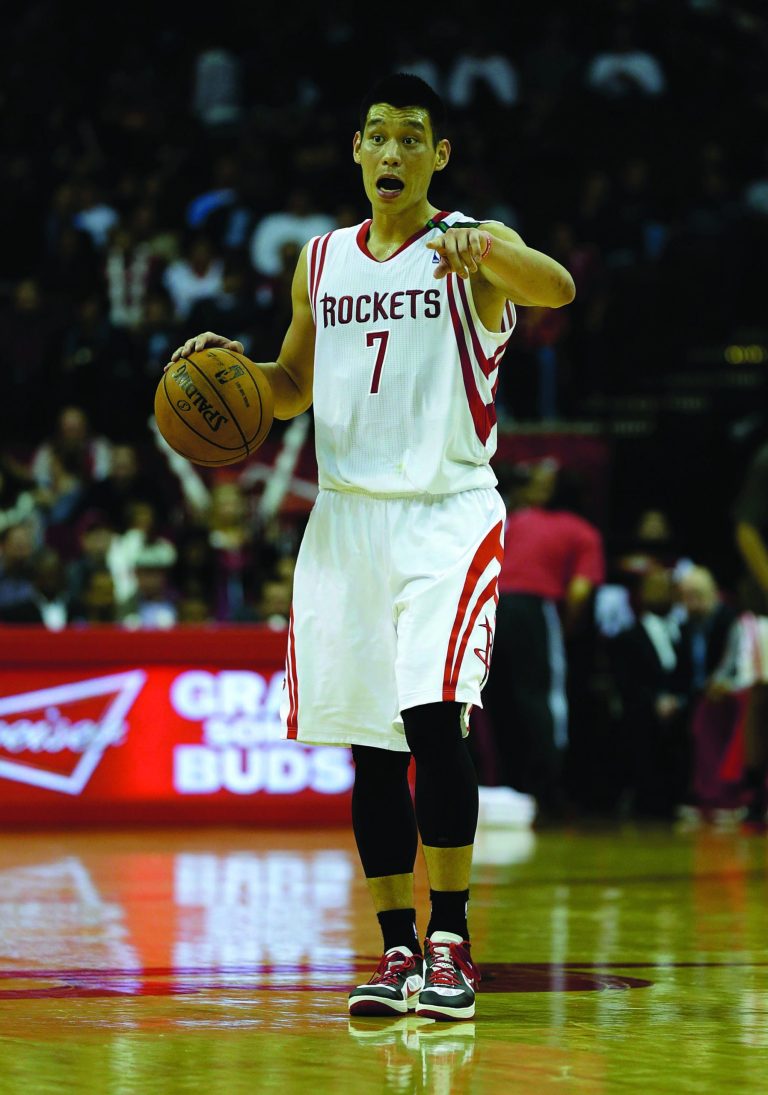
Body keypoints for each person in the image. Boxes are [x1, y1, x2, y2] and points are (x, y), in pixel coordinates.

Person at [168, 73, 574, 1020]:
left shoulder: (470, 246)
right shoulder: (318, 261)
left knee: (434, 719)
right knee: (367, 746)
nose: (392, 153)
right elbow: (289, 388)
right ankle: (396, 951)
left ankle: (451, 941)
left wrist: (491, 250)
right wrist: (222, 371)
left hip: (447, 510)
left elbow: (555, 288)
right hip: (346, 518)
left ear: (439, 157)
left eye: (412, 138)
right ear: (357, 152)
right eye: (377, 137)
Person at [482, 461, 605, 822]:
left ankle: (500, 785)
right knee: (542, 701)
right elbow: (580, 592)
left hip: (490, 607)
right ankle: (547, 793)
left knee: (493, 700)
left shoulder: (515, 520)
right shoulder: (582, 532)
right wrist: (564, 628)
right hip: (534, 610)